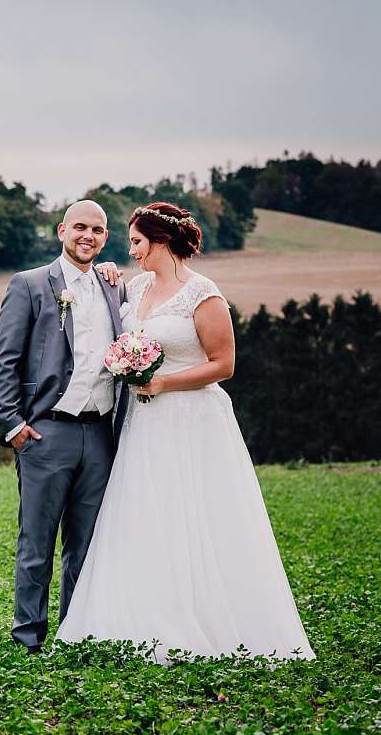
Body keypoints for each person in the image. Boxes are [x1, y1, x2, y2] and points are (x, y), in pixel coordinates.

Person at [56, 201, 315, 662]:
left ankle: (210, 620)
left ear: (160, 241)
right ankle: (138, 619)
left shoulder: (203, 293)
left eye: (135, 242)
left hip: (192, 419)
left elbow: (224, 364)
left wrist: (163, 382)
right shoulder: (134, 288)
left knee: (197, 515)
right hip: (143, 422)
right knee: (146, 514)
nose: (130, 250)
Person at [0, 200, 128, 651]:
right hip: (47, 432)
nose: (88, 236)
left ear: (106, 238)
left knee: (86, 547)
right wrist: (12, 424)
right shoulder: (30, 284)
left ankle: (74, 635)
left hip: (101, 434)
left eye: (98, 230)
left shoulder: (114, 289)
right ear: (62, 230)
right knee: (37, 543)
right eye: (80, 228)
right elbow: (7, 359)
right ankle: (28, 638)